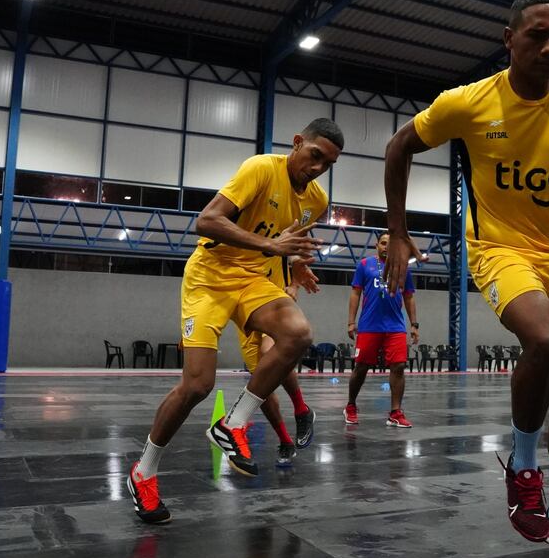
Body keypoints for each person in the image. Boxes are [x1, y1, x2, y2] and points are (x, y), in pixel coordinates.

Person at [383, 0, 549, 558]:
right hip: (498, 247)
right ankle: (522, 467)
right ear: (509, 40)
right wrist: (397, 233)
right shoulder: (467, 103)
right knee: (542, 338)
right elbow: (399, 146)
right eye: (537, 36)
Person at [126, 119, 342, 524]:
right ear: (297, 142)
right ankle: (144, 471)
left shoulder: (316, 201)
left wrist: (293, 262)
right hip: (209, 278)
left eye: (327, 164)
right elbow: (206, 221)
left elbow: (284, 242)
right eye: (314, 156)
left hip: (253, 279)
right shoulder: (260, 168)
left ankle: (234, 423)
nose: (317, 168)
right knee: (198, 386)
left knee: (298, 335)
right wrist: (271, 246)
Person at [236, 283, 318, 468]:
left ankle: (301, 410)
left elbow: (297, 257)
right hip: (244, 314)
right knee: (261, 383)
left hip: (271, 299)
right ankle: (285, 441)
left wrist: (295, 284)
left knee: (272, 351)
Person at [343, 232, 419, 428]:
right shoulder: (364, 265)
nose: (386, 246)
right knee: (361, 367)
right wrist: (351, 322)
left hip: (395, 326)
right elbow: (355, 293)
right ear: (377, 245)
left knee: (399, 366)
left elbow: (409, 296)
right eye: (383, 243)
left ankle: (395, 412)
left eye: (390, 244)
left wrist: (414, 324)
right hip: (369, 325)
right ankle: (351, 406)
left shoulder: (403, 267)